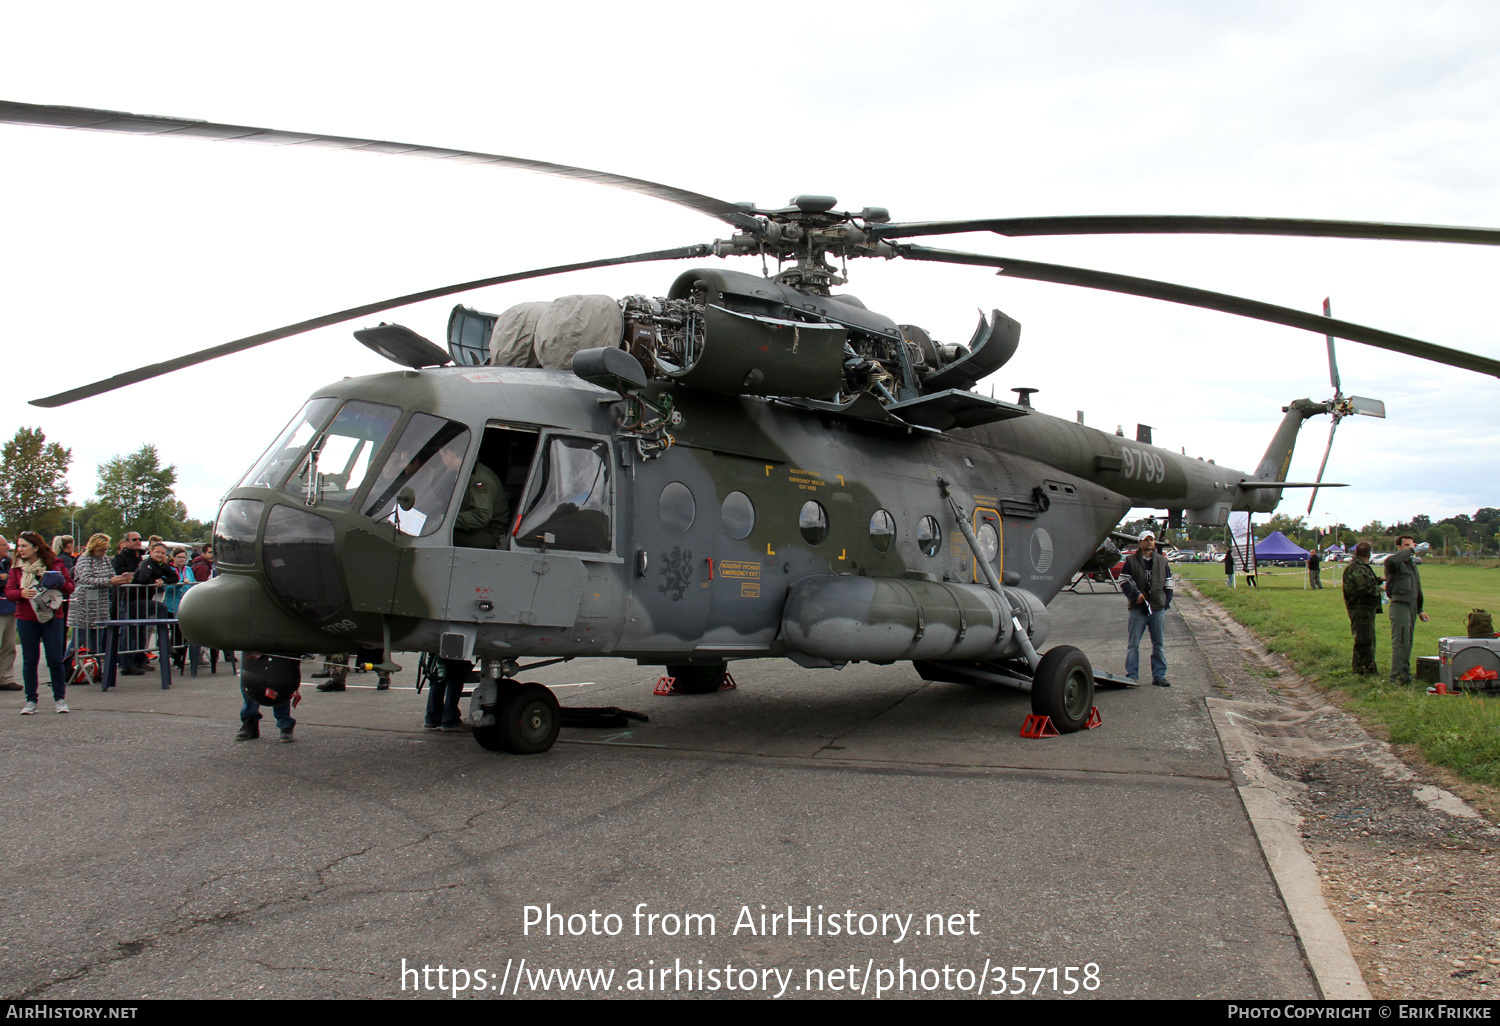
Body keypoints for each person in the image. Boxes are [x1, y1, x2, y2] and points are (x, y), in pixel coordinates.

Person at [6, 532, 75, 713]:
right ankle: (31, 701)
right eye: (18, 546)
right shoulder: (16, 568)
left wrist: (58, 581)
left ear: (35, 547)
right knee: (30, 660)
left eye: (24, 546)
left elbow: (69, 587)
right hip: (26, 617)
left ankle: (60, 699)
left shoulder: (55, 564)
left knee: (54, 659)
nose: (20, 550)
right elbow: (9, 592)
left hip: (52, 617)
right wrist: (20, 594)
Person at [1120, 530, 1172, 687]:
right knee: (1133, 644)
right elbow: (1123, 581)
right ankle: (1132, 675)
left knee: (1158, 644)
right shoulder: (1130, 561)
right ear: (1140, 542)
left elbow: (1169, 584)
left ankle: (1159, 675)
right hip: (1138, 609)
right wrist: (1135, 596)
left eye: (1152, 539)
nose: (1149, 542)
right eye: (1146, 540)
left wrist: (1166, 602)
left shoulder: (1163, 561)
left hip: (1158, 608)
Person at [1384, 534, 1429, 684]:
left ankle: (1405, 674)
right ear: (1399, 547)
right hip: (1400, 604)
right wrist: (1410, 551)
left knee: (1408, 642)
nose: (1410, 548)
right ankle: (1396, 677)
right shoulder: (1393, 562)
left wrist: (1420, 609)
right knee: (1401, 641)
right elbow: (1393, 560)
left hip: (1412, 606)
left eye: (1412, 545)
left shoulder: (1412, 565)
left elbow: (1417, 588)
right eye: (1406, 546)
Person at [69, 533, 115, 663]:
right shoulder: (84, 559)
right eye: (101, 549)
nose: (103, 552)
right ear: (93, 547)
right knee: (79, 639)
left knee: (97, 640)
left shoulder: (105, 559)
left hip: (100, 604)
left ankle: (96, 668)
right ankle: (67, 666)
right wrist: (109, 581)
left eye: (105, 549)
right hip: (84, 604)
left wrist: (119, 579)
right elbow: (86, 579)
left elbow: (111, 574)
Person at [451, 451, 510, 549]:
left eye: (443, 456)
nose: (443, 461)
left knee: (440, 534)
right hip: (480, 530)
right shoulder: (468, 474)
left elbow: (481, 516)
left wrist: (445, 519)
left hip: (488, 534)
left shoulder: (481, 480)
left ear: (451, 454)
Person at [1341, 541, 1382, 675]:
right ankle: (1363, 669)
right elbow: (1365, 589)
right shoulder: (1358, 568)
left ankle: (1365, 666)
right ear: (1369, 553)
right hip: (1360, 608)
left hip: (1361, 608)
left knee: (1366, 637)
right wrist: (1381, 588)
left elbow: (1366, 582)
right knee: (1364, 639)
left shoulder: (1358, 567)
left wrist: (1379, 579)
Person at [111, 532, 147, 674]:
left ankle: (140, 659)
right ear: (127, 542)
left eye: (139, 539)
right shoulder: (121, 557)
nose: (138, 541)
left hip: (141, 597)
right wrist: (135, 574)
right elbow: (119, 572)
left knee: (141, 629)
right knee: (127, 631)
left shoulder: (144, 556)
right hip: (125, 599)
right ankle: (126, 664)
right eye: (134, 539)